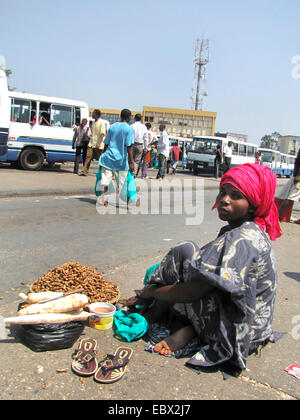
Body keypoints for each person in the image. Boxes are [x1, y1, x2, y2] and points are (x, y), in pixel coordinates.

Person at [125, 163, 281, 373]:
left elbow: (192, 292)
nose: (225, 199)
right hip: (249, 326)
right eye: (223, 192)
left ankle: (157, 311)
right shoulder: (248, 230)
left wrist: (152, 291)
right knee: (187, 254)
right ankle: (156, 307)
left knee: (183, 253)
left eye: (236, 196)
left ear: (252, 205)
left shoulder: (242, 239)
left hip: (233, 335)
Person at [96, 109, 135, 206]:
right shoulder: (129, 129)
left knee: (104, 180)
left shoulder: (112, 127)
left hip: (108, 158)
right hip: (120, 161)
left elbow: (106, 143)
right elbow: (129, 146)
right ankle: (129, 200)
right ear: (129, 117)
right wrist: (131, 161)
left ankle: (101, 199)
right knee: (123, 183)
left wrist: (103, 155)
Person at [80, 109, 106, 176]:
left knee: (100, 159)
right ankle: (84, 171)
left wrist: (99, 143)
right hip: (92, 143)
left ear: (97, 115)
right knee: (88, 157)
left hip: (99, 144)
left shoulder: (101, 123)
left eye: (93, 113)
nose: (92, 115)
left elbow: (102, 134)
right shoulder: (93, 123)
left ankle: (102, 172)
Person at [278, 147, 300, 223]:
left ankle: (277, 218)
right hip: (297, 176)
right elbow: (298, 161)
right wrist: (296, 175)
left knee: (289, 198)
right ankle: (277, 218)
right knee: (285, 197)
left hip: (297, 177)